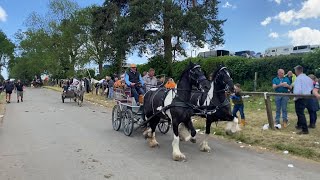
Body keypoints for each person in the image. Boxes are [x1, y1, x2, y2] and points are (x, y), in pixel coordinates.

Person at [293, 65, 314, 134]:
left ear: (297, 71)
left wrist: (295, 97)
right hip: (307, 97)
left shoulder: (298, 79)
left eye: (295, 71)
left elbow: (297, 90)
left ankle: (305, 129)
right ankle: (299, 125)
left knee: (300, 113)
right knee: (301, 112)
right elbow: (311, 87)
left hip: (300, 97)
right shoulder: (308, 78)